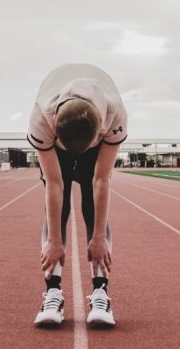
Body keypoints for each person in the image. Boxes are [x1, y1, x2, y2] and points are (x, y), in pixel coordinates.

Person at [28, 63, 127, 327]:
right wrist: (54, 241)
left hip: (95, 140)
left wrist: (98, 238)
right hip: (57, 141)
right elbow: (55, 183)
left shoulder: (115, 115)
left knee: (92, 206)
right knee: (57, 215)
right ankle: (53, 292)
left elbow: (101, 180)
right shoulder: (41, 119)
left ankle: (100, 292)